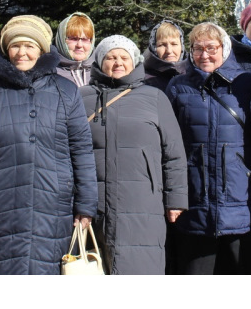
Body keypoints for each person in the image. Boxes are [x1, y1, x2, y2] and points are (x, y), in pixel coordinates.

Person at [0, 15, 98, 275]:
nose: (22, 53)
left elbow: (81, 149)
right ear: (6, 49)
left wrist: (86, 204)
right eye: (15, 45)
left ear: (41, 49)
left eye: (30, 46)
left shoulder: (65, 91)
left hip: (52, 204)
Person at [80, 35, 188, 274]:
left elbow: (174, 154)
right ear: (99, 61)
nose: (117, 62)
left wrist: (176, 199)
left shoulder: (154, 97)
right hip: (92, 204)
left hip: (143, 201)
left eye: (123, 57)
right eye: (110, 57)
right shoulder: (81, 98)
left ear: (134, 62)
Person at [165, 22, 251, 275]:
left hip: (239, 200)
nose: (204, 54)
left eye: (211, 47)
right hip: (194, 200)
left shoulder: (246, 83)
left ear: (225, 49)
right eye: (198, 48)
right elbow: (169, 144)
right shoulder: (178, 86)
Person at [143, 20, 188, 92]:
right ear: (153, 47)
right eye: (162, 45)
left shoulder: (193, 75)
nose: (169, 51)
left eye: (174, 44)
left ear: (182, 46)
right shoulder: (143, 80)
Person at [54, 11, 96, 86]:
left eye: (85, 39)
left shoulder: (103, 73)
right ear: (62, 40)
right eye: (73, 39)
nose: (79, 45)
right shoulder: (50, 75)